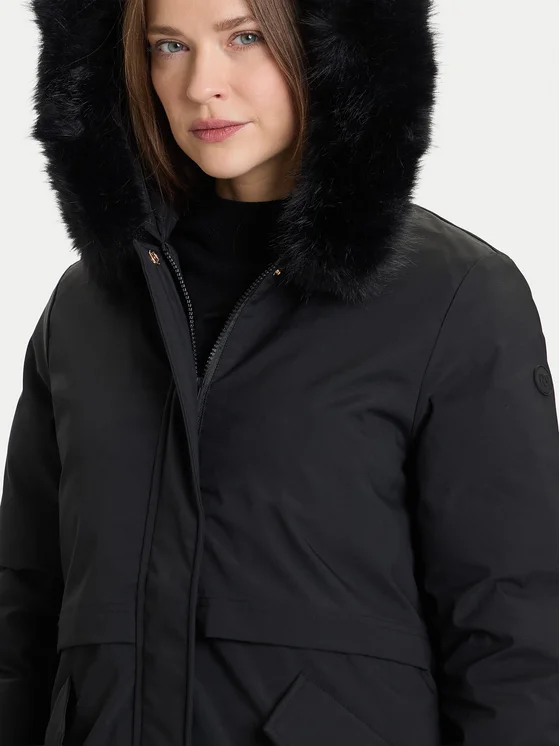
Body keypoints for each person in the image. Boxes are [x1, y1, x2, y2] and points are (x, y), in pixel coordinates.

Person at [0, 0, 557, 743]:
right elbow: (24, 607)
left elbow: (510, 635)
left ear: (335, 46)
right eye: (169, 46)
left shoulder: (452, 297)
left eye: (245, 37)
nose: (202, 85)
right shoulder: (87, 308)